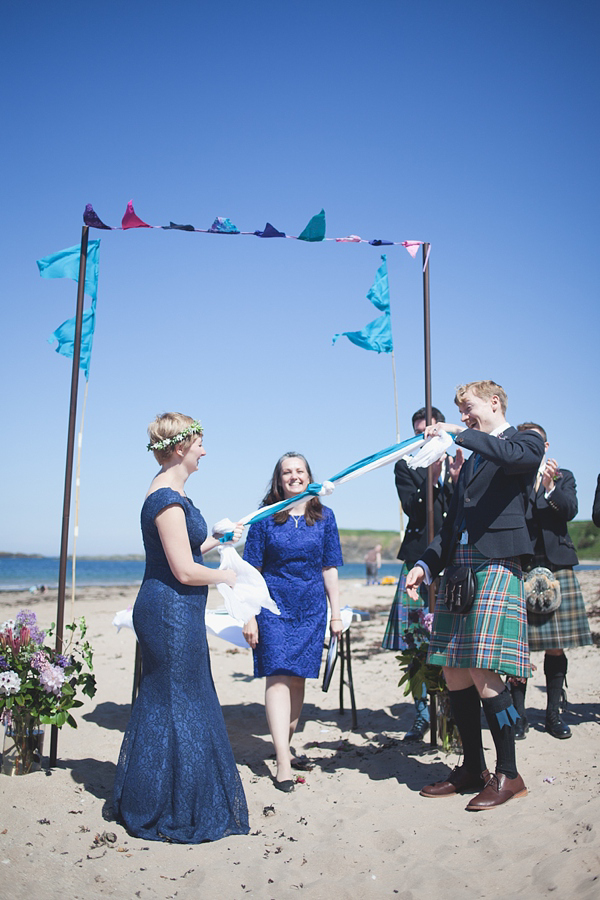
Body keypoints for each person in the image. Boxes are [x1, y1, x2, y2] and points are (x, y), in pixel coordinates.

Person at [406, 381, 545, 811]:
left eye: (467, 408)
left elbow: (516, 458)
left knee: (487, 672)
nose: (464, 415)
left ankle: (510, 773)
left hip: (497, 564)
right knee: (454, 673)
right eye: (461, 412)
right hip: (460, 569)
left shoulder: (526, 439)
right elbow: (451, 526)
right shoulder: (469, 464)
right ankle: (471, 768)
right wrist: (426, 564)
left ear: (494, 403)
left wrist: (457, 432)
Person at [113, 413, 249, 842]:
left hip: (177, 609)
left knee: (179, 699)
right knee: (175, 702)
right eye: (200, 444)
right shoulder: (167, 500)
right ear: (179, 448)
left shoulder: (174, 494)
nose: (204, 451)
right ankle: (160, 801)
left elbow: (191, 550)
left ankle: (166, 792)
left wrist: (220, 540)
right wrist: (227, 577)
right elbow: (185, 571)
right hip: (168, 610)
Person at [242, 453, 343, 792]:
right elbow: (249, 572)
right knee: (278, 675)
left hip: (311, 607)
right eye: (287, 472)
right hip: (272, 606)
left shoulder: (325, 517)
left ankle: (283, 743)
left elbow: (330, 567)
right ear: (278, 479)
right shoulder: (265, 518)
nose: (294, 477)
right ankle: (283, 761)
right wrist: (249, 616)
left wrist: (336, 614)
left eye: (299, 471)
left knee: (298, 679)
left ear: (309, 476)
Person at [382, 406, 463, 741]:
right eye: (420, 432)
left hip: (453, 562)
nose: (427, 436)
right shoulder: (407, 466)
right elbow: (414, 511)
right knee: (416, 641)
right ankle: (421, 714)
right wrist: (429, 479)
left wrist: (454, 480)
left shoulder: (458, 464)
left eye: (431, 430)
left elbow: (466, 511)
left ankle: (452, 712)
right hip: (417, 560)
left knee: (454, 639)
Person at [508, 423, 593, 740]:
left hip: (557, 566)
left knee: (556, 647)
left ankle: (553, 715)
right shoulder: (514, 478)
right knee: (520, 649)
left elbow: (570, 510)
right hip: (523, 566)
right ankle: (518, 717)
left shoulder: (563, 476)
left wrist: (548, 489)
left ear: (545, 445)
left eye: (536, 441)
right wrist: (530, 487)